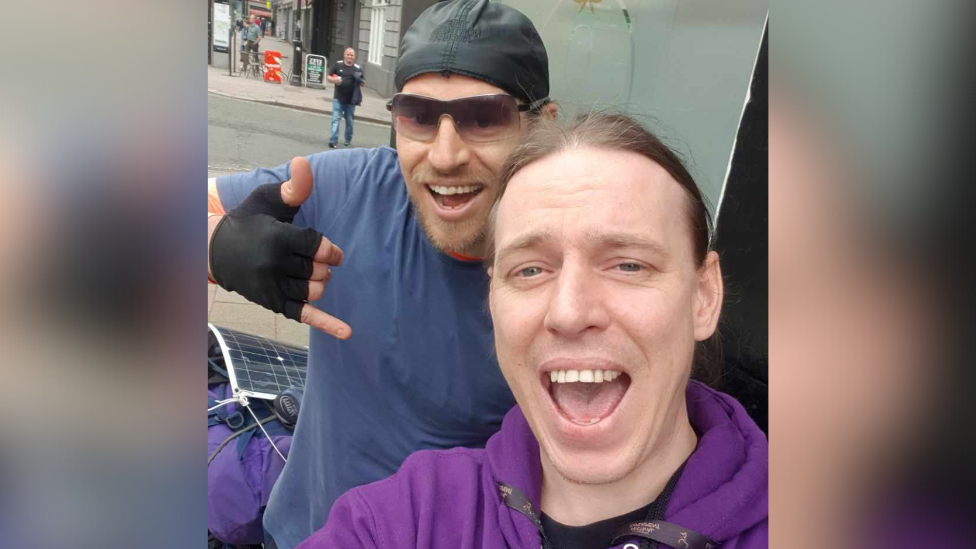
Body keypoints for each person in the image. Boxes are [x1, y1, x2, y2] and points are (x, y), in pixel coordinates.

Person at [298, 113, 768, 549]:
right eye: (529, 270)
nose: (568, 312)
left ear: (703, 296)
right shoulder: (409, 518)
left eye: (628, 264)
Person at [206, 1, 554, 547]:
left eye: (483, 117)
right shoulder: (350, 188)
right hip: (299, 532)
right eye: (418, 115)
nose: (444, 155)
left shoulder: (571, 275)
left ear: (542, 126)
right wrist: (217, 249)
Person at [326, 48, 364, 148]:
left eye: (351, 55)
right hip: (338, 98)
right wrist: (335, 80)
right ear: (344, 55)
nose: (349, 57)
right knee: (335, 119)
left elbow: (363, 83)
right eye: (348, 54)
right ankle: (333, 140)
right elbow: (328, 77)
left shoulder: (357, 68)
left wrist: (360, 80)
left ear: (354, 57)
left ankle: (348, 139)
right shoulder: (338, 65)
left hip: (351, 100)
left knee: (349, 121)